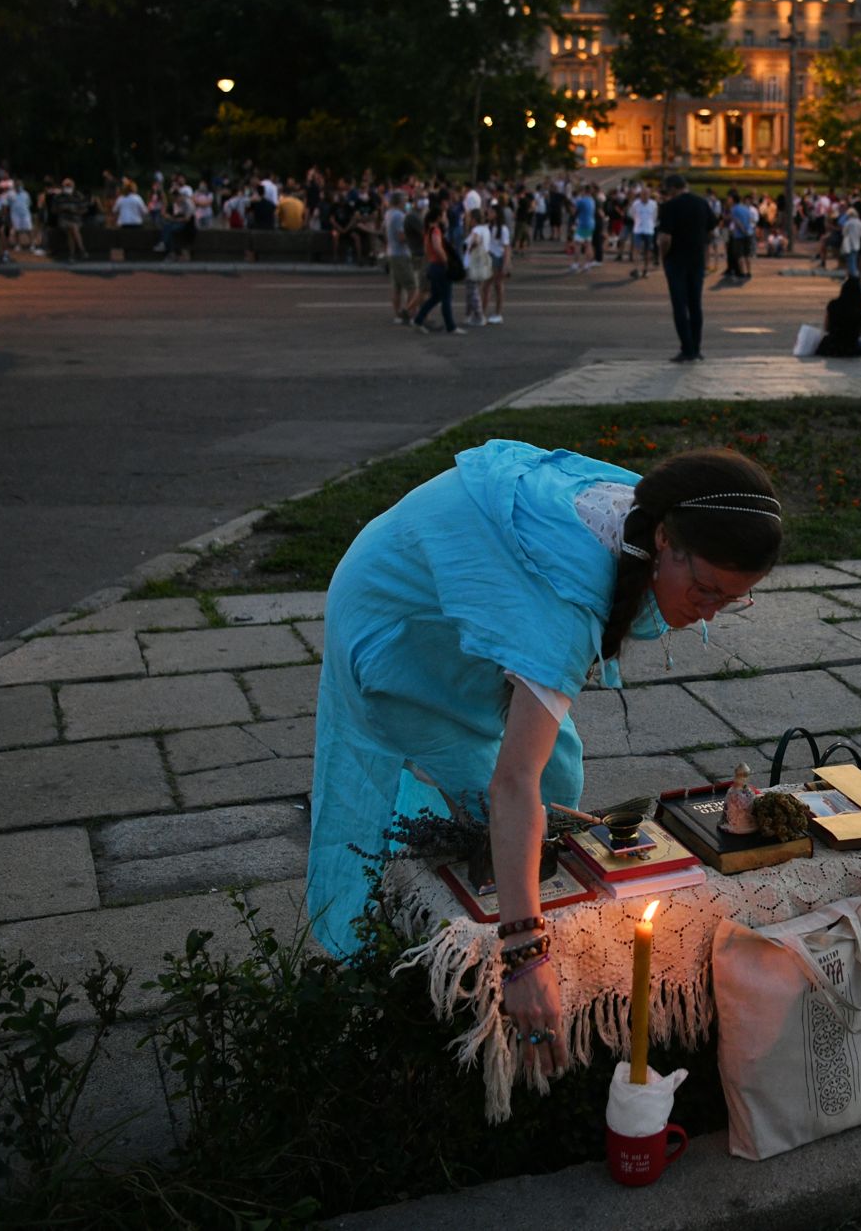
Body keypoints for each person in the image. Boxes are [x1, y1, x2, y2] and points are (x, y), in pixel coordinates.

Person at [304, 442, 782, 1077]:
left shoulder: (655, 520)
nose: (709, 612)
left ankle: (499, 883)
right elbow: (512, 785)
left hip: (457, 578)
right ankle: (435, 960)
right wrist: (525, 954)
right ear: (665, 542)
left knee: (560, 775)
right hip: (395, 617)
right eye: (704, 590)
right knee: (488, 788)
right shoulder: (569, 600)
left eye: (732, 599)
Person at [656, 173, 715, 362]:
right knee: (695, 304)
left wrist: (663, 256)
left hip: (676, 260)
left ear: (673, 188)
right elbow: (711, 230)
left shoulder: (670, 206)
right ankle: (696, 348)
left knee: (679, 305)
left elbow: (665, 238)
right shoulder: (702, 203)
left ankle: (687, 349)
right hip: (696, 260)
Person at [412, 200, 463, 336]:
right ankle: (451, 326)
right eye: (444, 215)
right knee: (446, 297)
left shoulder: (427, 231)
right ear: (439, 217)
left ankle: (418, 320)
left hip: (433, 266)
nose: (446, 218)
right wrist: (446, 262)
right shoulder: (435, 231)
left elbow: (428, 250)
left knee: (436, 297)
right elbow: (437, 247)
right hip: (439, 266)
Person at [815, 275, 861, 356]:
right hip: (851, 347)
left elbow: (826, 327)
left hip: (832, 346)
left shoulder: (833, 305)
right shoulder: (860, 309)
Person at [383, 191, 415, 324]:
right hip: (401, 254)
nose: (406, 203)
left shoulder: (388, 214)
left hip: (392, 252)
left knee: (397, 287)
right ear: (399, 202)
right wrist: (413, 236)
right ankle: (409, 313)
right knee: (412, 285)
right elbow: (402, 237)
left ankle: (398, 314)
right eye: (405, 201)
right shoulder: (399, 216)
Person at [570, 184, 597, 272]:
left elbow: (573, 212)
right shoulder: (592, 200)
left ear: (584, 191)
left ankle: (576, 264)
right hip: (590, 223)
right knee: (588, 244)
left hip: (582, 224)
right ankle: (587, 264)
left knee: (577, 244)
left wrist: (572, 203)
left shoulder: (581, 200)